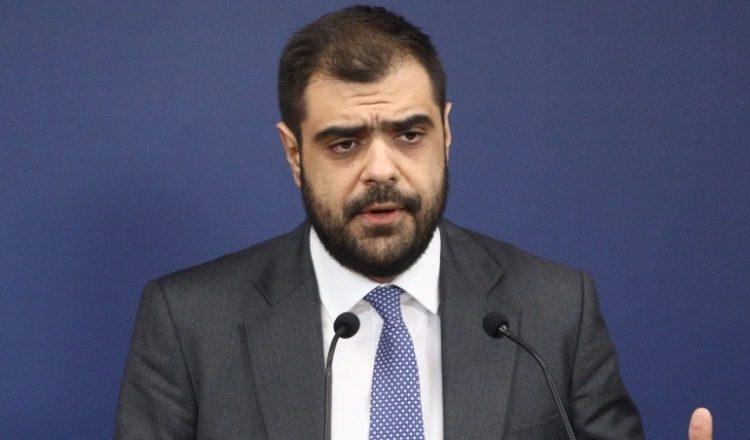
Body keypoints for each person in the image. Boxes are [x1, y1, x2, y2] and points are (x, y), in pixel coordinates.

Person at [115, 5, 711, 439]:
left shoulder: (555, 310)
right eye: (344, 143)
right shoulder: (189, 323)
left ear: (445, 133)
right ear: (294, 154)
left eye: (409, 135)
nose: (382, 170)